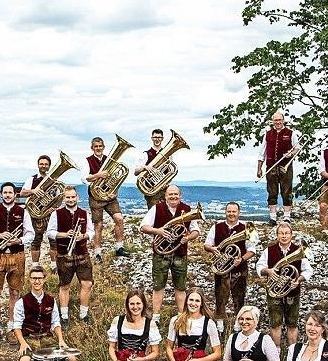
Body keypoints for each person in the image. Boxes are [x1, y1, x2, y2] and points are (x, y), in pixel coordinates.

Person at [13, 265, 81, 361]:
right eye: (34, 278)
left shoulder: (51, 300)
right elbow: (17, 326)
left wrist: (61, 340)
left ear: (44, 279)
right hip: (30, 339)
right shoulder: (21, 302)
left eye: (39, 278)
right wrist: (23, 343)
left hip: (47, 339)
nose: (37, 281)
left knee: (72, 359)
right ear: (29, 280)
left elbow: (55, 322)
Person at [0, 182, 35, 345]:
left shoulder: (23, 212)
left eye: (10, 192)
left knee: (14, 294)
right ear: (1, 194)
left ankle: (12, 328)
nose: (8, 195)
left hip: (17, 255)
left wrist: (18, 239)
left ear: (15, 194)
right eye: (5, 192)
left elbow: (30, 234)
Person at [140, 184, 201, 322]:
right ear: (165, 196)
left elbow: (196, 231)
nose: (173, 197)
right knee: (158, 285)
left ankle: (182, 316)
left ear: (180, 196)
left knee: (180, 286)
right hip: (161, 254)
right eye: (170, 194)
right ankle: (156, 317)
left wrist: (188, 237)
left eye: (176, 194)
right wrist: (159, 231)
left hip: (180, 253)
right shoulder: (157, 208)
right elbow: (143, 226)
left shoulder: (187, 210)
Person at [204, 201, 258, 337]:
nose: (231, 214)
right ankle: (220, 326)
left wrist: (242, 259)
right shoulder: (216, 227)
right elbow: (207, 245)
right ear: (225, 212)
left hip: (239, 268)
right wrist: (213, 249)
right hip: (221, 269)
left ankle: (237, 326)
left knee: (239, 298)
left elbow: (252, 250)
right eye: (229, 211)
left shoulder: (246, 227)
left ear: (238, 213)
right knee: (220, 297)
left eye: (234, 211)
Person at [256, 222, 312, 348]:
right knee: (275, 324)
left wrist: (298, 280)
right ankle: (276, 352)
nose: (284, 236)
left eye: (287, 233)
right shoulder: (269, 250)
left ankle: (292, 352)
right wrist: (268, 271)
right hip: (274, 293)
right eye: (281, 233)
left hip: (293, 293)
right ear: (277, 235)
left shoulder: (299, 250)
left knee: (292, 324)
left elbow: (308, 271)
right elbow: (259, 266)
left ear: (291, 235)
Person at [47, 186, 95, 324]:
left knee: (87, 284)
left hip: (82, 253)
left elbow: (92, 232)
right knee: (64, 286)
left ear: (77, 198)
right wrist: (64, 234)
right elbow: (50, 232)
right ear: (64, 199)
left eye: (73, 197)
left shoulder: (84, 213)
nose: (70, 199)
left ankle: (83, 314)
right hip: (64, 254)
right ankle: (65, 316)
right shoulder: (56, 214)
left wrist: (84, 236)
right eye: (67, 197)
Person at [85, 136, 131, 262]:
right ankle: (98, 252)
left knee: (119, 219)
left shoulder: (110, 160)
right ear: (92, 148)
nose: (98, 148)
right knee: (98, 225)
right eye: (96, 146)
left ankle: (119, 247)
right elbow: (85, 179)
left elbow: (117, 179)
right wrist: (98, 175)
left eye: (100, 146)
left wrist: (114, 192)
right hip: (96, 198)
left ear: (104, 147)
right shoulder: (87, 161)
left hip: (110, 197)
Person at [256, 111, 299, 225]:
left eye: (280, 120)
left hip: (286, 166)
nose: (278, 122)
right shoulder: (267, 134)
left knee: (286, 191)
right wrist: (259, 168)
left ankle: (287, 217)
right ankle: (273, 217)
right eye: (275, 120)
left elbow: (297, 148)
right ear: (272, 122)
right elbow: (262, 151)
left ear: (283, 120)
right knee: (272, 191)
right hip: (271, 166)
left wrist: (290, 154)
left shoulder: (291, 133)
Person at [20, 154, 59, 271]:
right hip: (35, 214)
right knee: (36, 240)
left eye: (46, 164)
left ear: (49, 166)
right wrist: (33, 191)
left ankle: (54, 265)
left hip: (49, 214)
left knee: (54, 239)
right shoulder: (31, 179)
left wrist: (55, 208)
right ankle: (35, 266)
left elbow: (58, 197)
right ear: (38, 165)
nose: (43, 166)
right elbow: (22, 193)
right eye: (41, 164)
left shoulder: (54, 180)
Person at [134, 128, 167, 208]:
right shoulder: (146, 154)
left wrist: (166, 182)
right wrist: (145, 167)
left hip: (164, 189)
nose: (157, 139)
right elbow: (136, 171)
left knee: (167, 214)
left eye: (159, 137)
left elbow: (171, 171)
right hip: (151, 189)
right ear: (152, 138)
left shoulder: (167, 154)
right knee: (154, 214)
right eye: (155, 137)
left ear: (162, 139)